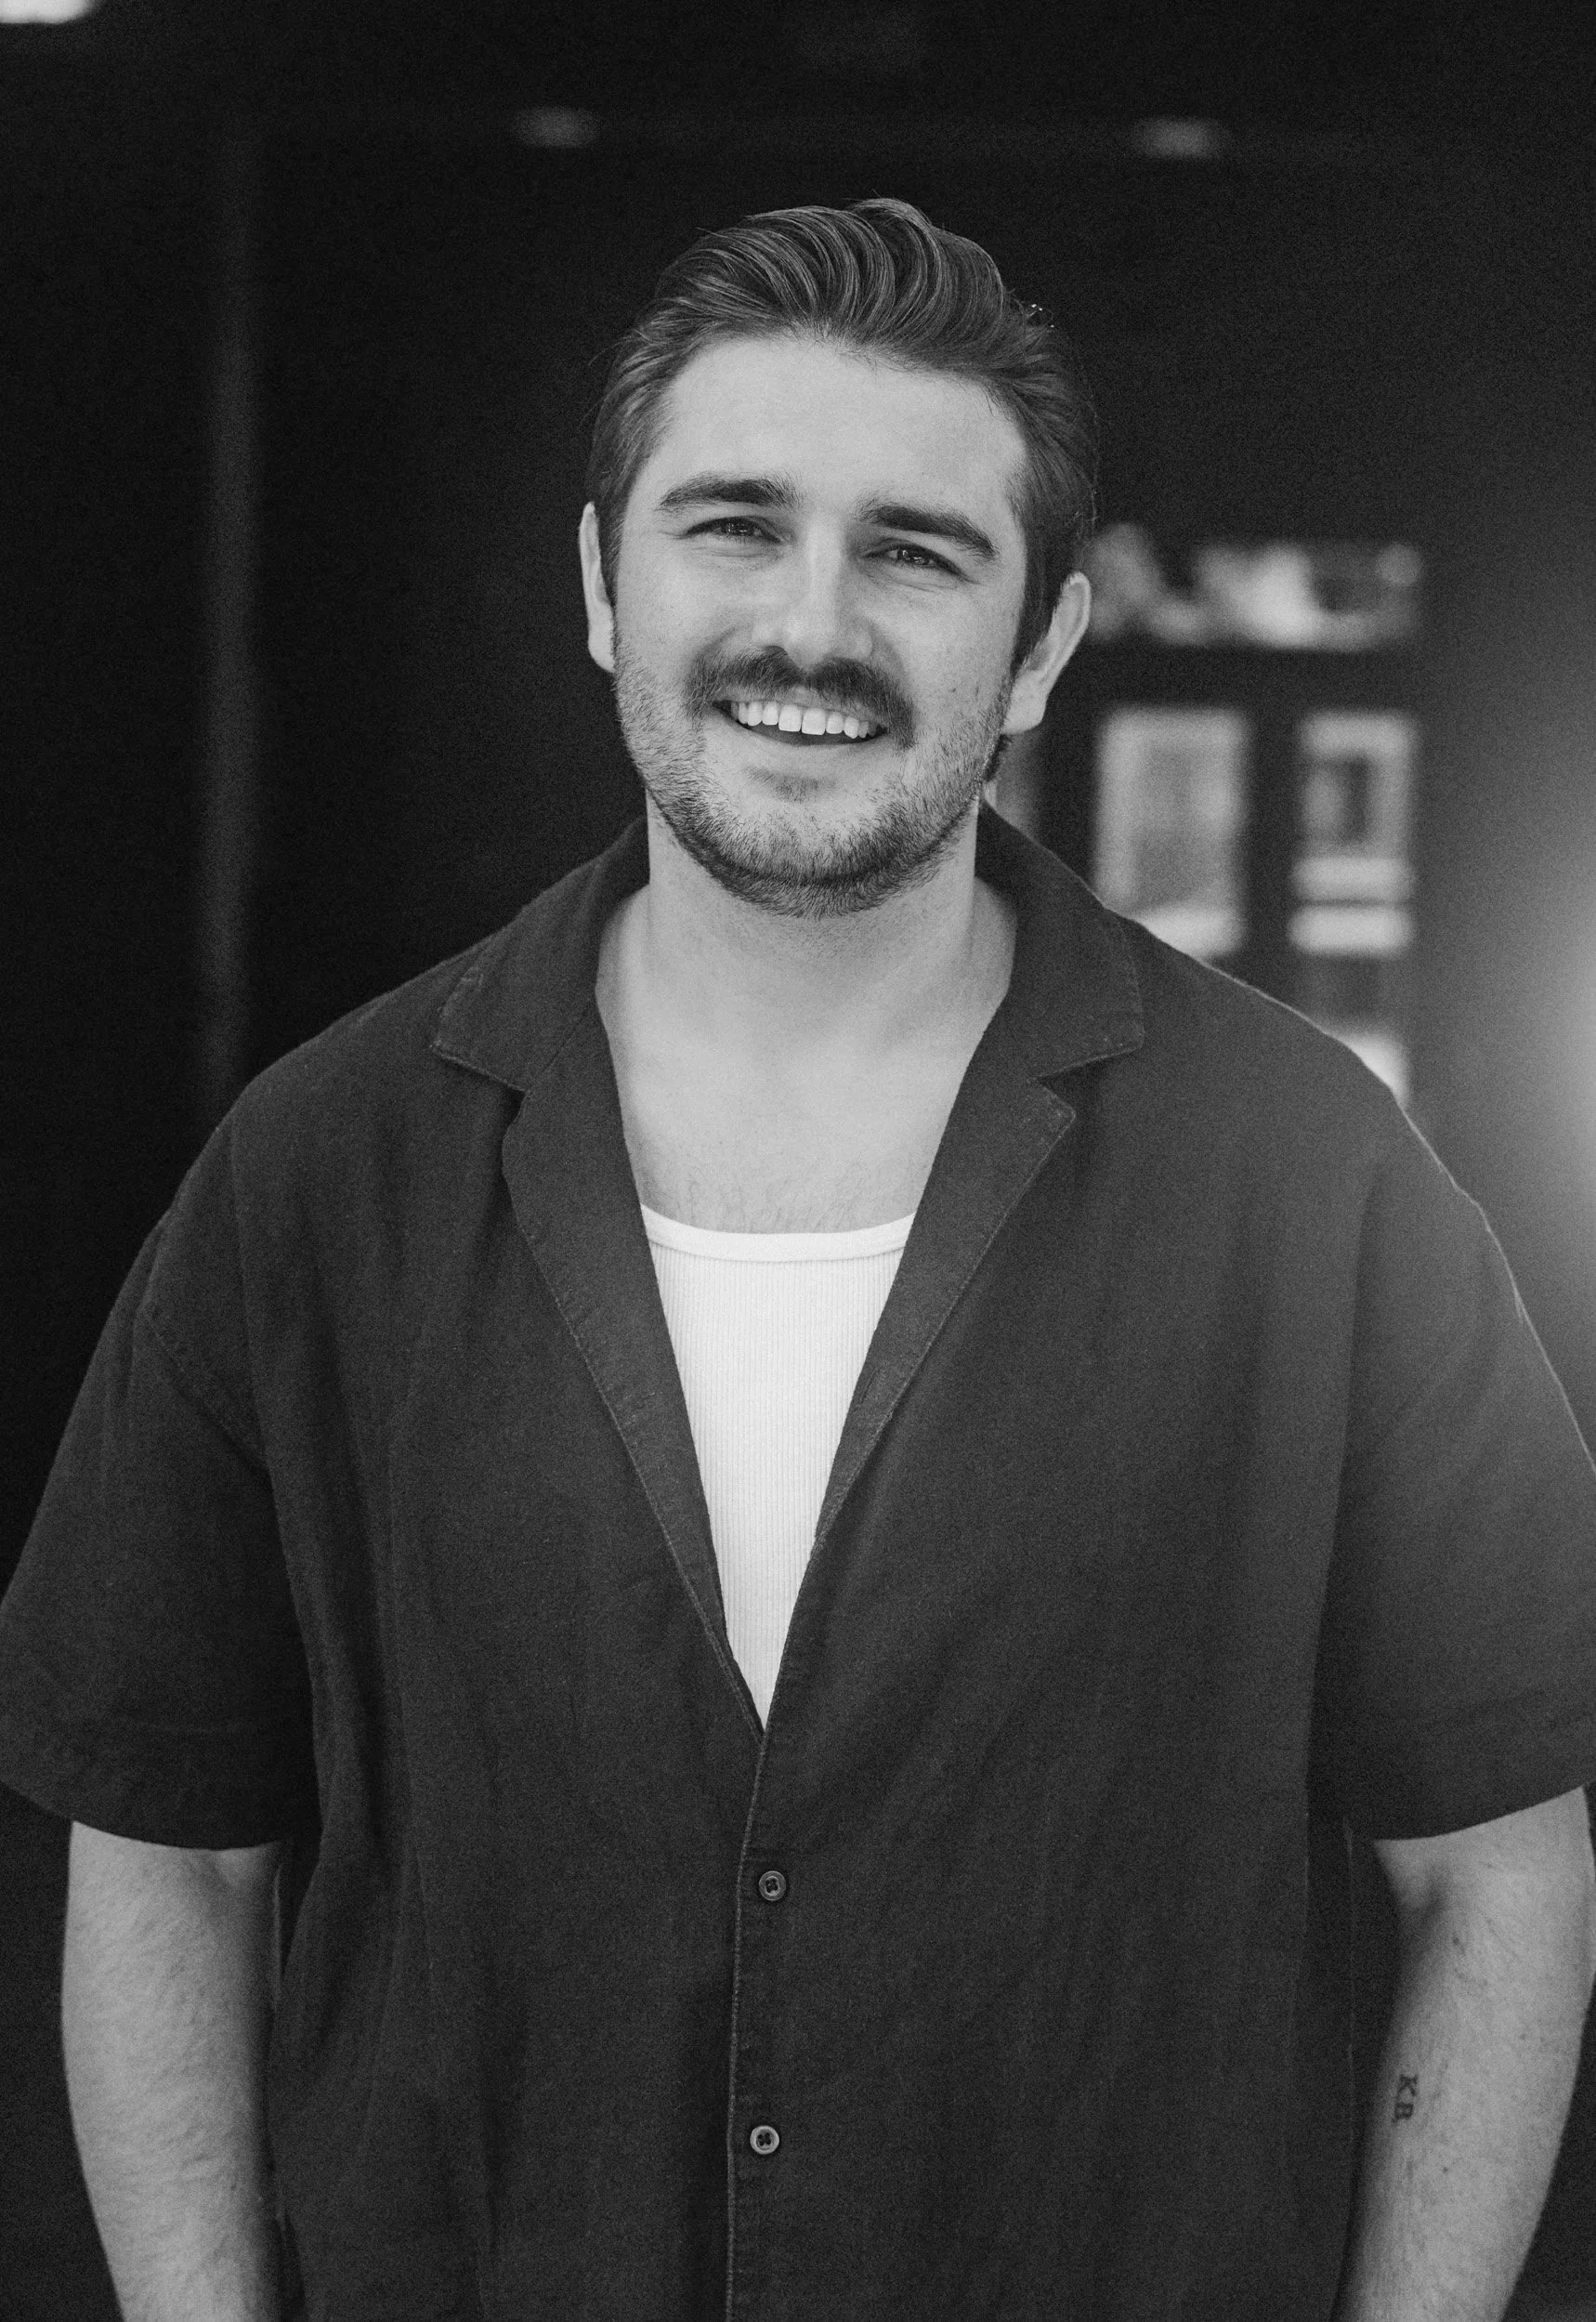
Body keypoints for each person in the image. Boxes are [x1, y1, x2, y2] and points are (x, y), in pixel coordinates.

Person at [2, 197, 1595, 2322]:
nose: (809, 628)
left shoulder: (1317, 1183)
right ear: (600, 582)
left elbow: (1497, 1868)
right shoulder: (316, 1176)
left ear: (1038, 641)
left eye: (914, 554)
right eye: (731, 526)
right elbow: (166, 1862)